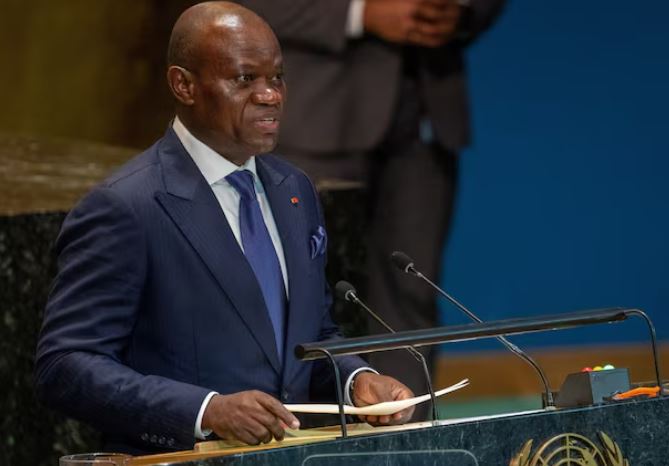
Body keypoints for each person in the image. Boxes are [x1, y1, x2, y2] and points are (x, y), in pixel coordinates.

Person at [34, 2, 414, 456]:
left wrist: (357, 381)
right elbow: (66, 365)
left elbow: (312, 336)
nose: (270, 95)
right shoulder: (127, 206)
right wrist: (205, 410)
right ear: (184, 85)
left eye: (276, 78)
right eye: (244, 79)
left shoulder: (294, 190)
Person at [236, 0, 505, 420]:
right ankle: (307, 447)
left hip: (426, 119)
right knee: (304, 298)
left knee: (411, 290)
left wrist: (465, 13)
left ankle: (405, 442)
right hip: (319, 118)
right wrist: (359, 12)